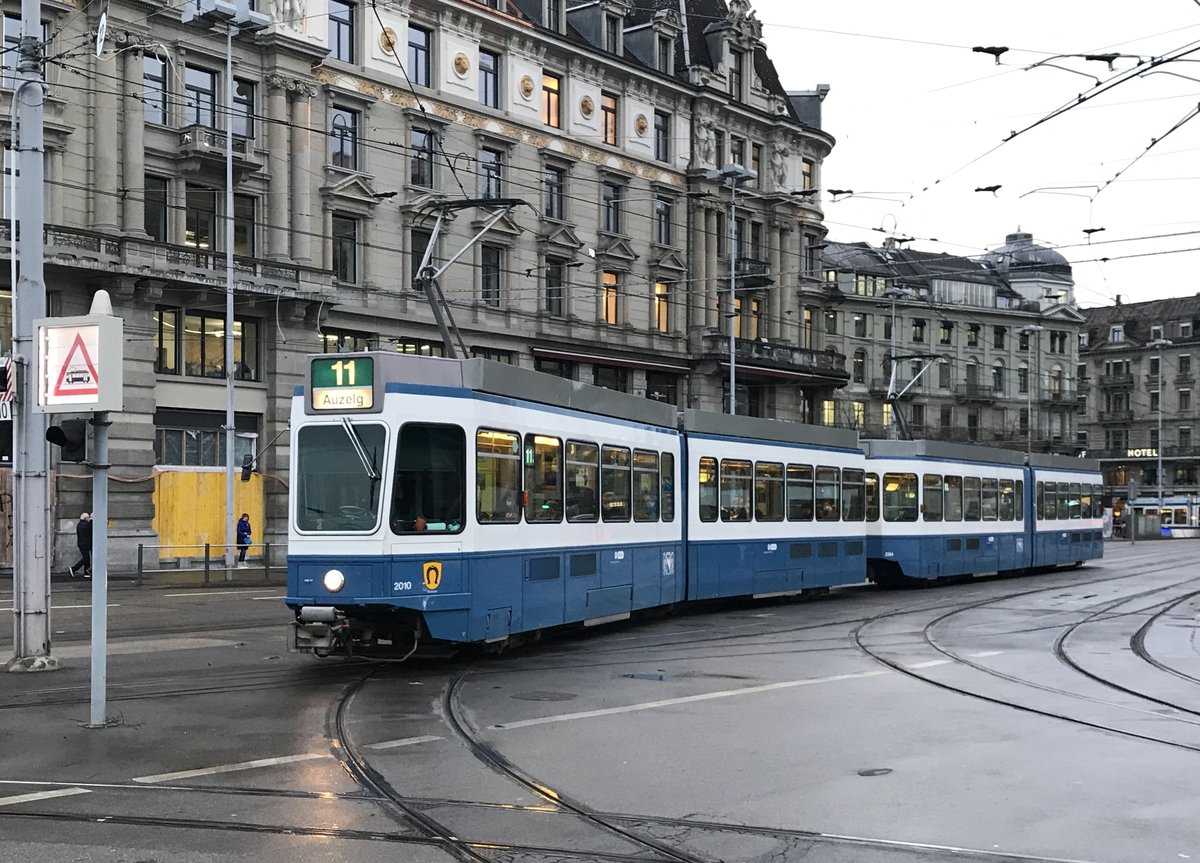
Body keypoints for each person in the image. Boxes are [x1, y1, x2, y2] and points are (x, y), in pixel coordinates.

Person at [70, 512, 92, 578]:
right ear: (85, 518)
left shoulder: (80, 524)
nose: (89, 519)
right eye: (88, 518)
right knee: (86, 558)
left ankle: (86, 572)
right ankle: (74, 568)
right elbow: (89, 531)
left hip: (82, 543)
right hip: (84, 544)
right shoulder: (85, 525)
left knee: (87, 558)